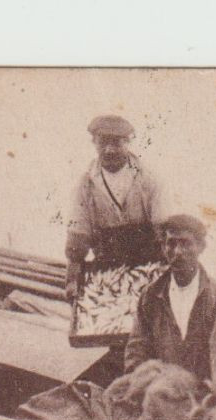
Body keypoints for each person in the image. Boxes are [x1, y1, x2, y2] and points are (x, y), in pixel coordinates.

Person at [124, 214, 216, 416]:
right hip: (163, 392)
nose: (178, 252)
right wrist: (138, 384)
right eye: (171, 244)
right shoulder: (151, 296)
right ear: (163, 248)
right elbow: (137, 350)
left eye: (186, 244)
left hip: (205, 393)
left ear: (200, 247)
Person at [63, 114, 169, 298]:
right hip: (106, 270)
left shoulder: (148, 180)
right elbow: (77, 239)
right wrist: (72, 280)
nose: (109, 150)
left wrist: (167, 273)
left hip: (147, 267)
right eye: (103, 143)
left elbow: (164, 230)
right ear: (94, 143)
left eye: (116, 143)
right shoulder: (85, 185)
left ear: (128, 142)